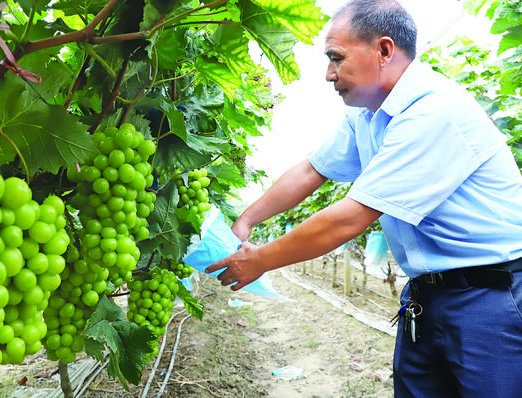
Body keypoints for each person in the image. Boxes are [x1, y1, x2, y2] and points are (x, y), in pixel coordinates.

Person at [205, 0, 522, 396]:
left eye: (336, 58)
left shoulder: (434, 112)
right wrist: (246, 221)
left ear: (384, 51)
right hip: (427, 296)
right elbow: (311, 170)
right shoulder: (367, 113)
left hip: (489, 300)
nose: (327, 74)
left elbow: (349, 219)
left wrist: (261, 260)